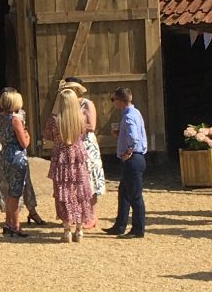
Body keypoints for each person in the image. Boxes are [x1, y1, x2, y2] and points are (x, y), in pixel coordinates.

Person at [44, 85, 96, 243]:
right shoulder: (81, 118)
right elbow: (85, 132)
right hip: (77, 158)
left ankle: (67, 229)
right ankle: (79, 230)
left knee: (63, 192)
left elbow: (48, 135)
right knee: (80, 192)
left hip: (61, 158)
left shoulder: (54, 120)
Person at [0, 89, 33, 237]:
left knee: (8, 191)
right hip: (16, 157)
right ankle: (16, 225)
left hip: (4, 156)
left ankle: (8, 223)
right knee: (15, 193)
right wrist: (28, 135)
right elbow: (24, 143)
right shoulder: (15, 120)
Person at [106, 87, 148, 238]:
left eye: (114, 99)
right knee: (124, 193)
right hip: (137, 158)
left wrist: (128, 151)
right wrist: (121, 134)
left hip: (132, 158)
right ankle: (120, 225)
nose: (113, 102)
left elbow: (134, 137)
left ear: (120, 101)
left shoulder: (129, 116)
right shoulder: (135, 113)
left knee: (135, 196)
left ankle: (138, 229)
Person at [66, 79, 107, 222]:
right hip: (72, 145)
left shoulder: (87, 103)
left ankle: (92, 215)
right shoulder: (65, 105)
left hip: (86, 145)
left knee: (90, 179)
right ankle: (79, 214)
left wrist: (72, 125)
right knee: (75, 180)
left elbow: (92, 126)